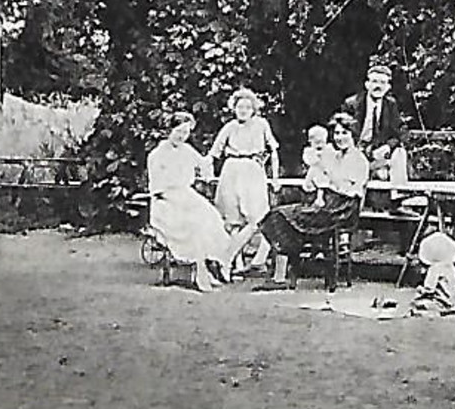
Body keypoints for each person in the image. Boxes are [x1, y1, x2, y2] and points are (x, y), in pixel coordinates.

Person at [227, 113, 368, 290]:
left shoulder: (359, 159)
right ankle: (279, 276)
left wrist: (330, 182)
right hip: (329, 203)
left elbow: (352, 190)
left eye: (344, 133)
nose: (339, 138)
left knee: (286, 216)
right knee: (279, 215)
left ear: (353, 135)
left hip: (344, 208)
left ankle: (279, 274)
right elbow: (315, 181)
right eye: (337, 134)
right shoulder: (333, 155)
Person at [146, 112, 234, 292]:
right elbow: (158, 189)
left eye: (186, 133)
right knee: (194, 224)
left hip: (186, 196)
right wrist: (182, 201)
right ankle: (200, 271)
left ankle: (210, 265)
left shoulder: (187, 150)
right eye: (179, 131)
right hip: (166, 202)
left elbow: (203, 164)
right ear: (169, 130)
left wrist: (208, 168)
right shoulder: (157, 155)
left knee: (212, 218)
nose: (182, 136)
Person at [206, 88, 280, 272]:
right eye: (240, 107)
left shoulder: (262, 124)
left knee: (258, 218)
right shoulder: (230, 127)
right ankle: (235, 265)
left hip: (253, 170)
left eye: (248, 107)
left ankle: (233, 258)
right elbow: (214, 153)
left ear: (254, 109)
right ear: (234, 108)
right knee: (232, 220)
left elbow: (274, 151)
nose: (243, 110)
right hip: (231, 170)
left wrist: (275, 177)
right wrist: (206, 170)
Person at [347, 59, 408, 189]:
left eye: (382, 82)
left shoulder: (390, 105)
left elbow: (400, 132)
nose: (378, 86)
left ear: (388, 87)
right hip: (356, 152)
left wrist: (387, 147)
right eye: (374, 82)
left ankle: (400, 198)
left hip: (378, 154)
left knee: (399, 153)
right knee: (378, 173)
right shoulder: (353, 104)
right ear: (367, 84)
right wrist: (362, 151)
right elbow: (341, 131)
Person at [301, 124, 330, 207]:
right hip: (314, 173)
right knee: (315, 170)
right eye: (317, 142)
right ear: (310, 142)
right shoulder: (309, 151)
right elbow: (311, 161)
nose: (319, 145)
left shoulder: (328, 150)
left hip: (325, 174)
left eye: (322, 142)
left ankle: (320, 198)